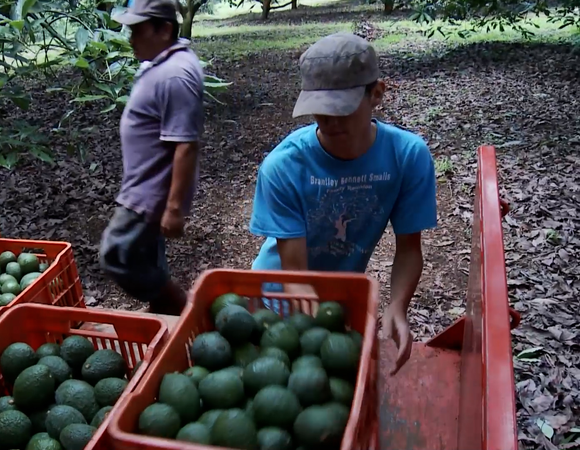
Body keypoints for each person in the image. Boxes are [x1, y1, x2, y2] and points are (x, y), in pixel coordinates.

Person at [249, 32, 437, 375]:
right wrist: (323, 338)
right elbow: (296, 276)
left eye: (342, 110)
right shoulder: (284, 167)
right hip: (276, 296)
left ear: (377, 93)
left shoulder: (407, 156)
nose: (330, 122)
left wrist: (398, 306)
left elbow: (409, 248)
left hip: (336, 297)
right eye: (320, 111)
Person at [99, 0, 204, 315]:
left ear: (165, 29)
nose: (131, 39)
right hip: (142, 185)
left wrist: (173, 208)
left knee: (117, 255)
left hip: (150, 193)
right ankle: (166, 310)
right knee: (145, 254)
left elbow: (186, 144)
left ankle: (181, 308)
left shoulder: (176, 75)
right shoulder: (162, 62)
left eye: (138, 30)